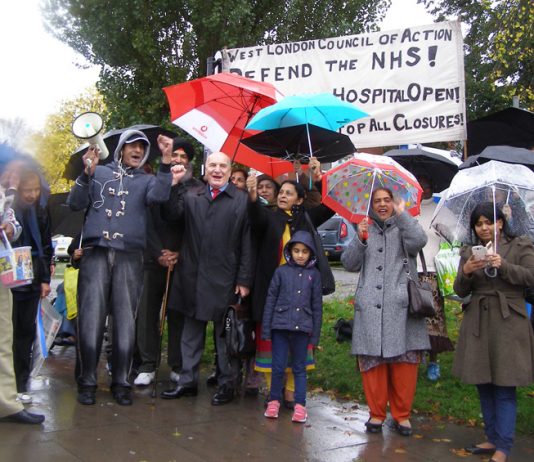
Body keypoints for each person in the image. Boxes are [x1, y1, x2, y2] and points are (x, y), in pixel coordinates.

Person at [68, 130, 172, 406]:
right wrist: (85, 175)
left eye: (142, 147)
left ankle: (121, 383)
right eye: (133, 146)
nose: (138, 150)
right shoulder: (99, 172)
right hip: (96, 253)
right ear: (122, 149)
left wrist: (165, 162)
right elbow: (75, 203)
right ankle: (87, 381)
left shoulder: (148, 180)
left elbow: (161, 196)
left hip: (129, 255)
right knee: (90, 319)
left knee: (126, 321)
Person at [161, 151, 252, 405]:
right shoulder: (191, 195)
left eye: (223, 166)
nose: (217, 170)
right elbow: (171, 215)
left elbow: (247, 242)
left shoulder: (242, 200)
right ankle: (187, 381)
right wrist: (174, 186)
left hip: (225, 276)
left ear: (229, 169)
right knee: (190, 333)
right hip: (191, 274)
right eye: (213, 164)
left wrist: (244, 279)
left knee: (225, 336)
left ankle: (226, 384)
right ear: (205, 167)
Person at [341, 187, 429, 436]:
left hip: (401, 306)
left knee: (404, 364)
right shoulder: (364, 228)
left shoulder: (404, 227)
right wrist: (360, 238)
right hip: (369, 307)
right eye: (377, 201)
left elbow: (420, 241)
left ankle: (402, 416)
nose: (382, 205)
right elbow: (349, 264)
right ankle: (376, 414)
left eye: (387, 200)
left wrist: (403, 215)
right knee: (373, 364)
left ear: (394, 202)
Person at [246, 159, 334, 408]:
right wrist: (252, 194)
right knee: (270, 342)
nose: (282, 196)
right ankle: (272, 390)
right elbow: (254, 217)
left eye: (288, 193)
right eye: (281, 192)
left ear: (298, 199)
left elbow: (329, 206)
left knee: (297, 343)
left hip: (300, 295)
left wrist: (318, 177)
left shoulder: (305, 219)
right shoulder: (268, 215)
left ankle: (291, 391)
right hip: (271, 293)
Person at [453, 202, 534, 462]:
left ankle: (504, 445)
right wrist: (466, 271)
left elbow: (530, 277)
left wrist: (504, 266)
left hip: (508, 320)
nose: (484, 227)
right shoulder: (469, 251)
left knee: (504, 385)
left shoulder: (520, 245)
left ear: (501, 222)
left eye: (489, 222)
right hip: (479, 320)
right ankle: (491, 437)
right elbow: (460, 290)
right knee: (484, 383)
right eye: (479, 223)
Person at [133, 137, 202, 387]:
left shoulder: (198, 189)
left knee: (177, 314)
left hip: (182, 261)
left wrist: (179, 253)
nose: (179, 161)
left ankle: (177, 363)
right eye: (175, 156)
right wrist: (157, 252)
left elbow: (196, 228)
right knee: (147, 313)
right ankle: (147, 364)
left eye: (184, 157)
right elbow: (145, 221)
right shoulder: (154, 184)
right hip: (153, 258)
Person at [262, 231, 323, 423]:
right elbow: (270, 300)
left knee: (299, 368)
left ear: (310, 253)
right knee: (278, 366)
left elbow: (317, 307)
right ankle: (274, 401)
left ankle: (300, 405)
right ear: (290, 251)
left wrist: (315, 336)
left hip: (302, 329)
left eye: (305, 251)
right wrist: (266, 328)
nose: (300, 255)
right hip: (280, 327)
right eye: (296, 250)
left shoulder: (314, 275)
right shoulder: (280, 272)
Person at [0, 182, 44, 425]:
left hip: (3, 272)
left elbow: (12, 223)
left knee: (5, 337)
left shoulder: (4, 188)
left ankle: (6, 404)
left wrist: (9, 228)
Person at [11, 167, 53, 404]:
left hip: (32, 276)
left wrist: (45, 279)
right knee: (8, 333)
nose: (32, 195)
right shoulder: (8, 209)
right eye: (27, 190)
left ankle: (21, 383)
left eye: (36, 190)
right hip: (9, 275)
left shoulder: (41, 210)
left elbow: (46, 244)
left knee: (25, 334)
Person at [416, 175, 454, 381]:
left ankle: (433, 360)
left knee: (434, 319)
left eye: (428, 186)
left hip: (432, 271)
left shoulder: (441, 211)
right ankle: (417, 354)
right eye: (421, 187)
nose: (425, 190)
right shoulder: (409, 211)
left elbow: (453, 236)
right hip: (412, 272)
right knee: (415, 317)